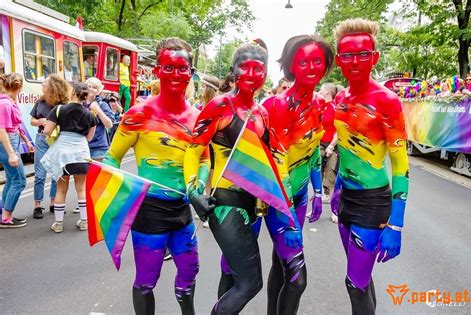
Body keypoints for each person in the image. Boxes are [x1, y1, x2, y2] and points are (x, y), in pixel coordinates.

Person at [103, 38, 208, 315]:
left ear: (191, 71)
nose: (176, 75)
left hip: (183, 211)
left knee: (190, 271)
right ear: (158, 70)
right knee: (147, 280)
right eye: (169, 67)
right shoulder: (138, 115)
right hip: (149, 212)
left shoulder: (199, 118)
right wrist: (118, 192)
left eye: (182, 68)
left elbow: (204, 159)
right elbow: (111, 158)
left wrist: (196, 188)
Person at [184, 42, 269, 314]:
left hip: (250, 206)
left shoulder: (261, 112)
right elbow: (193, 149)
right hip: (226, 205)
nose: (253, 73)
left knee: (233, 276)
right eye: (246, 67)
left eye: (259, 68)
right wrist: (193, 191)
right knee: (251, 282)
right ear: (234, 71)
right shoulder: (220, 105)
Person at [332, 18, 410, 314]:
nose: (355, 61)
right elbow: (346, 149)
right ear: (339, 60)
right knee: (361, 280)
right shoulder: (340, 98)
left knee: (355, 283)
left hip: (373, 203)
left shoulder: (387, 101)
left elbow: (401, 165)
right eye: (347, 55)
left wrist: (396, 224)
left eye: (363, 53)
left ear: (375, 57)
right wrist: (338, 187)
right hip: (347, 202)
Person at [262, 35, 334, 315]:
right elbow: (280, 164)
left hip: (300, 196)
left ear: (326, 65)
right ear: (291, 65)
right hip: (280, 199)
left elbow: (313, 151)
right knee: (297, 277)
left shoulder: (318, 103)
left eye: (317, 60)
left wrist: (318, 192)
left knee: (280, 265)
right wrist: (290, 217)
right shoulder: (281, 105)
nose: (311, 66)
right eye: (302, 61)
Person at [41, 83, 97, 233]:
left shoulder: (59, 109)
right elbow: (89, 138)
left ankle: (58, 224)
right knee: (81, 189)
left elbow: (47, 131)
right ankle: (84, 221)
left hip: (63, 154)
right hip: (81, 153)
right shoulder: (90, 115)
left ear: (72, 92)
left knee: (61, 190)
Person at [30, 74, 70, 219]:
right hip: (42, 138)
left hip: (58, 140)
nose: (42, 85)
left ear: (53, 86)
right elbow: (32, 121)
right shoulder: (40, 102)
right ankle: (38, 205)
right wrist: (39, 121)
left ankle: (54, 202)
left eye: (45, 83)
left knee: (56, 173)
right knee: (39, 174)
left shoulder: (64, 104)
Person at [0, 73, 34, 228]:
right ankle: (6, 218)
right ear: (19, 86)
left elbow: (16, 125)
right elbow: (2, 130)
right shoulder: (5, 104)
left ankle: (4, 213)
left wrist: (27, 141)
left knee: (11, 179)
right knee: (20, 181)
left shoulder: (9, 101)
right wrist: (12, 153)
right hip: (7, 144)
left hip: (12, 141)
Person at [319, 83, 339, 207]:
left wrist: (331, 146)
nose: (319, 91)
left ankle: (334, 210)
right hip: (319, 145)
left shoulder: (335, 108)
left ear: (327, 92)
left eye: (321, 89)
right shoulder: (319, 106)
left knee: (331, 177)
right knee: (317, 177)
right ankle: (316, 208)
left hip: (332, 145)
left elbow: (339, 130)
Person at [85, 77, 114, 162]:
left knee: (97, 174)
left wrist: (97, 110)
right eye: (88, 86)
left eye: (94, 87)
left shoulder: (102, 105)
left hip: (98, 146)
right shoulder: (79, 103)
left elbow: (109, 124)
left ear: (99, 91)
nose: (90, 89)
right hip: (81, 145)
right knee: (83, 174)